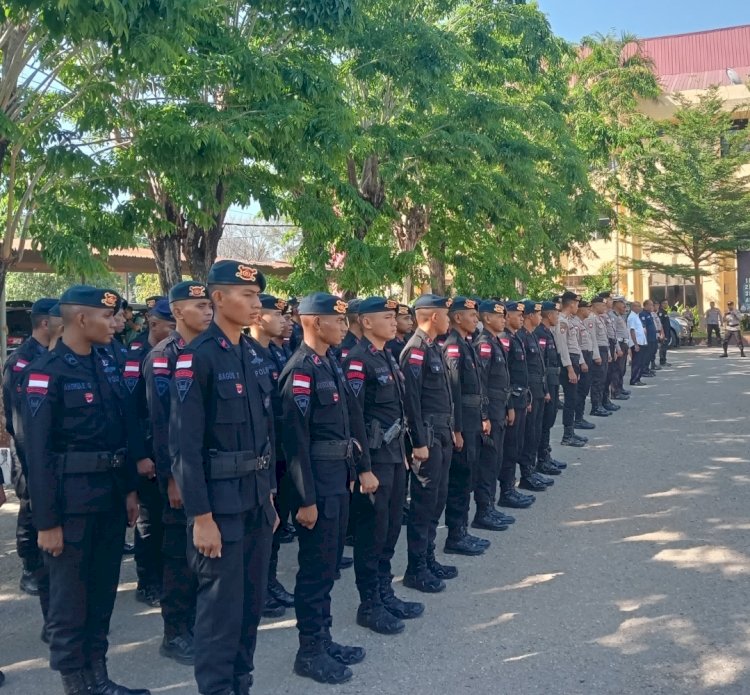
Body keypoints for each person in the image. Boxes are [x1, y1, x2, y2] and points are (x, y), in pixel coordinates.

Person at [21, 285, 150, 695]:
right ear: (80, 319)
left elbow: (121, 432)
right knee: (69, 602)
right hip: (69, 505)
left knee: (100, 596)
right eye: (106, 316)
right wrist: (46, 521)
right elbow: (36, 455)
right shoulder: (46, 372)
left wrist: (130, 491)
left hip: (109, 499)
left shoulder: (106, 366)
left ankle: (99, 677)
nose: (117, 324)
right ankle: (76, 684)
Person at [171, 261, 278, 695]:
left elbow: (264, 438)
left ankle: (240, 683)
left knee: (250, 606)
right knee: (220, 613)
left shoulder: (251, 354)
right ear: (218, 299)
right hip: (219, 507)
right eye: (247, 296)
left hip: (254, 501)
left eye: (257, 296)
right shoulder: (197, 358)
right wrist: (201, 517)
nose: (256, 304)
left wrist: (269, 499)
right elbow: (184, 448)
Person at [279, 292, 373, 684]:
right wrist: (305, 499)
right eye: (337, 321)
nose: (343, 326)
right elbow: (294, 441)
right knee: (315, 571)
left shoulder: (328, 364)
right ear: (315, 323)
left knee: (330, 566)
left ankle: (324, 637)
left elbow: (348, 424)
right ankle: (310, 649)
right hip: (317, 484)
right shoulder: (300, 369)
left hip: (337, 478)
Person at [343, 297, 424, 635]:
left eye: (395, 317)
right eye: (386, 317)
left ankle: (384, 592)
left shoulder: (386, 356)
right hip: (374, 462)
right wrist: (362, 468)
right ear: (365, 322)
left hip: (394, 457)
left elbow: (400, 412)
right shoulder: (357, 361)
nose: (394, 322)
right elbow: (355, 419)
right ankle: (369, 604)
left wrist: (406, 450)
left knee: (391, 530)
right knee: (372, 535)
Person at [144, 281, 213, 665]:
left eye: (209, 305)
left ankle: (197, 623)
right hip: (178, 473)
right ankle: (175, 632)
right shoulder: (162, 357)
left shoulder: (206, 350)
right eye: (199, 305)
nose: (208, 311)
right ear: (177, 312)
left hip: (205, 469)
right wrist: (172, 477)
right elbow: (160, 422)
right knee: (178, 555)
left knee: (201, 556)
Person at [399, 294, 457, 592]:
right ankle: (415, 568)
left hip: (441, 436)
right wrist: (418, 442)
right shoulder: (416, 350)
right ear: (433, 317)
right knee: (423, 505)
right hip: (428, 441)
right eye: (446, 314)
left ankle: (428, 557)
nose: (449, 319)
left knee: (437, 500)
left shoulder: (433, 348)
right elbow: (411, 403)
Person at [2, 297, 56, 607]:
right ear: (46, 323)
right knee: (30, 503)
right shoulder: (21, 361)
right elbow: (15, 413)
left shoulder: (56, 356)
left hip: (45, 444)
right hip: (24, 442)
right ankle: (29, 566)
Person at [247, 294, 296, 618]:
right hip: (261, 455)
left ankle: (269, 580)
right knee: (261, 528)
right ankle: (258, 588)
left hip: (280, 450)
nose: (284, 320)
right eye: (275, 314)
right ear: (258, 319)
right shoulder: (247, 354)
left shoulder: (277, 352)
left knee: (276, 525)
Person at [127, 299, 176, 609]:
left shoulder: (179, 354)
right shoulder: (137, 354)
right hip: (147, 448)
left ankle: (167, 577)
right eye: (169, 326)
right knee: (149, 523)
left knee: (168, 521)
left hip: (170, 447)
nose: (173, 332)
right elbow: (130, 411)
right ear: (152, 323)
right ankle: (146, 581)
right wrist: (140, 455)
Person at [474, 301, 522, 517]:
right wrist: (484, 415)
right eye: (499, 316)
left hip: (500, 407)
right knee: (489, 462)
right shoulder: (483, 343)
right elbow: (481, 383)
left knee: (497, 459)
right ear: (487, 319)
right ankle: (484, 510)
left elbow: (505, 379)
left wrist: (509, 406)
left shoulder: (496, 342)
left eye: (504, 315)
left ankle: (491, 505)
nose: (504, 319)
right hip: (491, 410)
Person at [498, 300, 539, 507]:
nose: (521, 317)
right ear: (506, 317)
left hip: (521, 397)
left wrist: (527, 398)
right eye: (517, 314)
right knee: (510, 448)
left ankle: (513, 486)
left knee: (519, 444)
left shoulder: (515, 338)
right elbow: (503, 375)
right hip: (511, 400)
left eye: (523, 315)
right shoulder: (504, 339)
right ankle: (506, 491)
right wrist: (510, 405)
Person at [517, 300, 555, 492]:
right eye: (538, 314)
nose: (541, 317)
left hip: (539, 389)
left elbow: (540, 367)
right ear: (530, 316)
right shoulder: (522, 337)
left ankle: (532, 470)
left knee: (536, 432)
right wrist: (528, 396)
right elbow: (521, 371)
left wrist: (545, 390)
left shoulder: (531, 336)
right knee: (529, 434)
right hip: (531, 391)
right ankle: (526, 473)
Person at [535, 300, 568, 471]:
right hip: (547, 380)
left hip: (553, 379)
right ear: (549, 315)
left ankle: (546, 454)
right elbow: (541, 363)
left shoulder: (548, 332)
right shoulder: (540, 333)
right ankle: (542, 459)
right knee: (545, 421)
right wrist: (545, 388)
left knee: (550, 420)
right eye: (556, 314)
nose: (558, 316)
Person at [557, 291, 587, 447]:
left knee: (573, 398)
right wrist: (570, 369)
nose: (578, 306)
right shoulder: (561, 321)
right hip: (568, 364)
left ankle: (571, 432)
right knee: (570, 400)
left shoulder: (569, 321)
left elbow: (575, 344)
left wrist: (581, 362)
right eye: (576, 303)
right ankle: (567, 436)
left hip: (575, 361)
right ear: (571, 304)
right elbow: (563, 348)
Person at [589, 297, 615, 417]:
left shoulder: (600, 318)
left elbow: (605, 338)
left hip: (604, 350)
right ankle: (596, 406)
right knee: (598, 380)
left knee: (603, 379)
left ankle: (602, 403)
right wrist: (596, 355)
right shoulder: (592, 318)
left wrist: (609, 353)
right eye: (602, 305)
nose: (605, 308)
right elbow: (592, 338)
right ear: (596, 305)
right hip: (598, 350)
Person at [572, 300, 596, 428]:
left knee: (585, 388)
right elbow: (576, 345)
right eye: (587, 308)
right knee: (581, 390)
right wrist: (582, 362)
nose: (589, 311)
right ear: (581, 309)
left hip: (587, 355)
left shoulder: (582, 323)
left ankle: (580, 417)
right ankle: (578, 419)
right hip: (582, 357)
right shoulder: (575, 324)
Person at [609, 298, 630, 400]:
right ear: (616, 303)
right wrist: (617, 348)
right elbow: (613, 333)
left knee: (622, 369)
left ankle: (620, 388)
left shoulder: (618, 315)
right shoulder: (612, 315)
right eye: (622, 303)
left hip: (624, 343)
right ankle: (615, 391)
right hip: (619, 344)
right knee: (617, 369)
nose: (624, 306)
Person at [627, 301, 648, 386]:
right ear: (633, 307)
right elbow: (632, 331)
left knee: (640, 362)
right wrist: (635, 344)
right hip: (636, 343)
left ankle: (638, 378)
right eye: (638, 306)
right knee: (637, 362)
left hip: (640, 342)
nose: (640, 308)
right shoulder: (632, 317)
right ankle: (634, 380)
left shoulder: (636, 316)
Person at [639, 300, 658, 377]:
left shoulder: (649, 314)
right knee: (646, 355)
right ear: (645, 305)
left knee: (650, 354)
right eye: (650, 305)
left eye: (652, 305)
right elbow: (644, 327)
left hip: (652, 338)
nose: (652, 307)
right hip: (648, 338)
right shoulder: (643, 314)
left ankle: (647, 368)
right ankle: (644, 370)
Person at [657, 300, 672, 366]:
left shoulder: (665, 312)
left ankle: (664, 360)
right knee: (663, 347)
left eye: (667, 303)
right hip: (664, 332)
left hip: (667, 331)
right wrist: (662, 333)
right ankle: (662, 361)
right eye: (665, 303)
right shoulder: (660, 312)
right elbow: (660, 324)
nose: (666, 305)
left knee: (665, 347)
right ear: (662, 304)